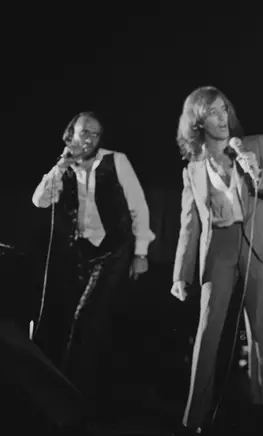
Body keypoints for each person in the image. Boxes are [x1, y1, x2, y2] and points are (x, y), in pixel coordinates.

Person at [171, 86, 263, 434]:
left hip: (256, 241)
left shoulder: (254, 145)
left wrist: (259, 175)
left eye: (225, 110)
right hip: (220, 247)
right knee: (208, 331)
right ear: (197, 122)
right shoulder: (192, 170)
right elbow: (189, 224)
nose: (223, 118)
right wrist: (181, 274)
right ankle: (195, 418)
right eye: (213, 112)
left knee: (259, 331)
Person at [31, 111, 154, 417]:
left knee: (87, 318)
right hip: (81, 254)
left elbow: (138, 206)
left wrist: (141, 252)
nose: (87, 139)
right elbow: (40, 201)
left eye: (93, 135)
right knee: (80, 322)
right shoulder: (64, 169)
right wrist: (60, 165)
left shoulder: (117, 161)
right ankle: (83, 394)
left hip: (115, 249)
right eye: (82, 133)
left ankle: (74, 396)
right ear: (70, 134)